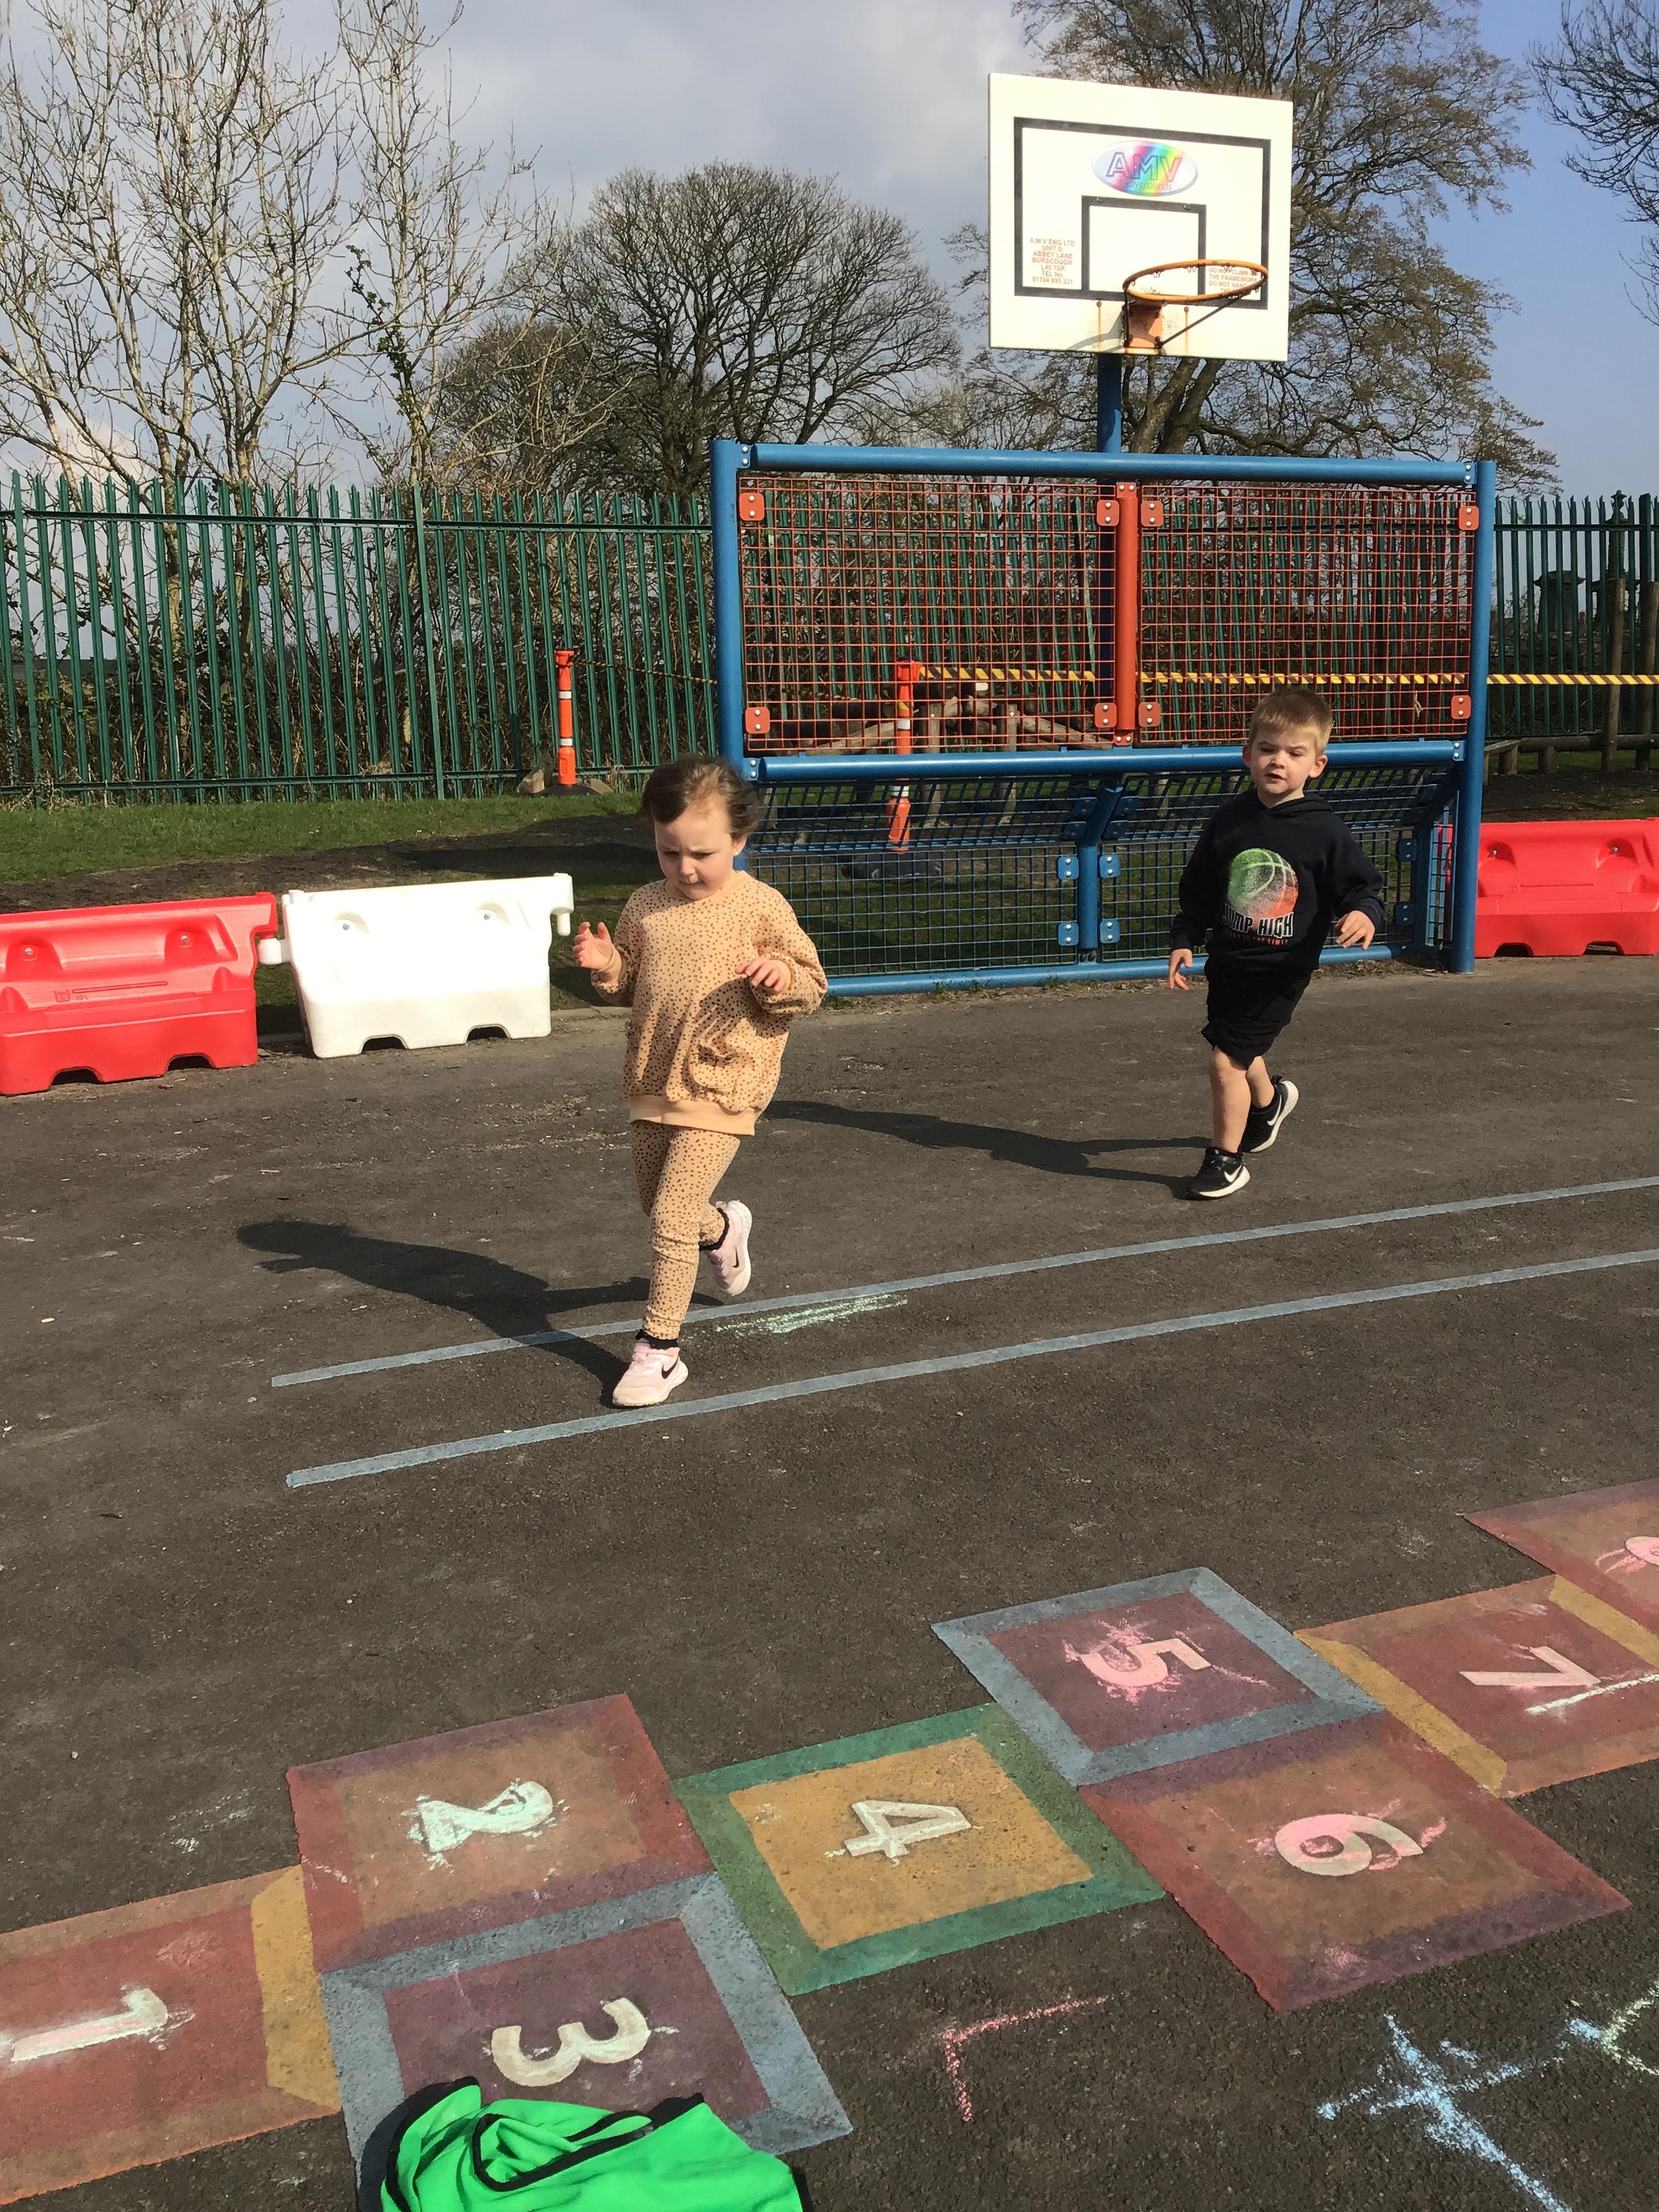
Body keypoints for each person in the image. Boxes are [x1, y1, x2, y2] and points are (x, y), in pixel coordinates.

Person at [573, 755, 825, 1406]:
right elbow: (627, 985)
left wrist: (781, 977)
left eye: (702, 854)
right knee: (660, 1207)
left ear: (739, 840)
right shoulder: (645, 904)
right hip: (653, 1077)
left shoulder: (760, 906)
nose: (685, 868)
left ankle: (659, 1351)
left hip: (726, 1078)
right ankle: (723, 1231)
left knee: (671, 1216)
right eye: (669, 851)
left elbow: (812, 985)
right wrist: (607, 964)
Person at [1166, 688, 1384, 1200]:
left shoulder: (1323, 830)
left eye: (1294, 752)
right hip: (1229, 962)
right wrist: (1185, 938)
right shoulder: (1229, 820)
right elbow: (1199, 888)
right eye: (1267, 749)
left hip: (1281, 969)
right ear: (1248, 754)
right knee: (1237, 1048)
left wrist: (1363, 913)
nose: (1278, 761)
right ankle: (1269, 1104)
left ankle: (1226, 1161)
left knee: (1225, 1062)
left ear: (1317, 765)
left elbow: (1363, 886)